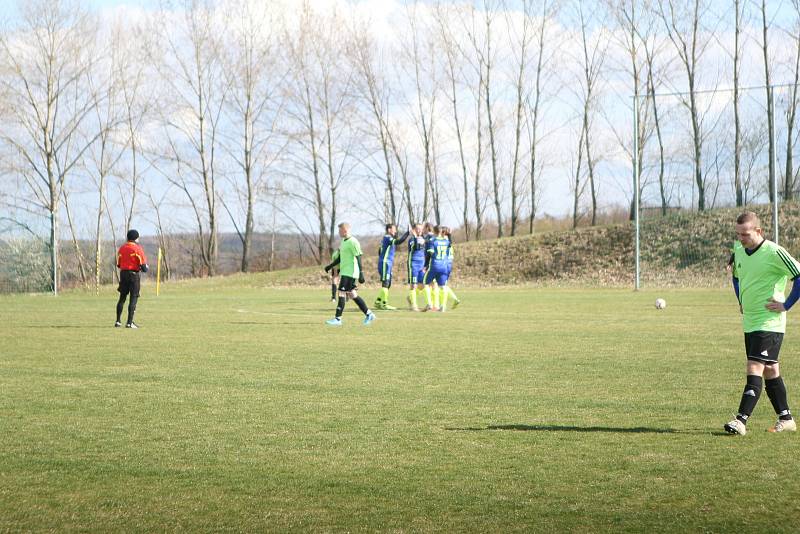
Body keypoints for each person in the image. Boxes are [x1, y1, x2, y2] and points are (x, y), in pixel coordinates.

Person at [725, 211, 800, 435]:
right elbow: (736, 276)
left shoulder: (774, 252)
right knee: (770, 369)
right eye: (738, 234)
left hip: (770, 322)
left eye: (745, 234)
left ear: (759, 231)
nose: (741, 238)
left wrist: (786, 305)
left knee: (754, 366)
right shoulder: (738, 249)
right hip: (751, 320)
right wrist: (741, 299)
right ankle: (786, 418)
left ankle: (740, 421)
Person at [323, 222, 376, 326]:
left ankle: (338, 319)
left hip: (351, 273)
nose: (338, 232)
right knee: (352, 294)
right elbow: (340, 258)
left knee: (341, 293)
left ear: (345, 230)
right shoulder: (344, 241)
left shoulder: (353, 242)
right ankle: (369, 314)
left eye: (340, 230)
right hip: (346, 271)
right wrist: (330, 266)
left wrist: (361, 273)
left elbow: (359, 257)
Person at [116, 229, 149, 328]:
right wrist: (145, 267)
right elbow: (144, 267)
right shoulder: (137, 249)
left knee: (122, 298)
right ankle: (130, 323)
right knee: (133, 298)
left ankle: (118, 321)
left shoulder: (122, 248)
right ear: (136, 238)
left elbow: (119, 264)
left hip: (123, 274)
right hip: (133, 275)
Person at [374, 223, 409, 310]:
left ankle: (378, 302)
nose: (395, 231)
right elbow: (399, 241)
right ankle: (384, 304)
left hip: (386, 263)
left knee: (388, 284)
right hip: (385, 263)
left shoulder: (385, 239)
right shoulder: (387, 238)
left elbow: (380, 251)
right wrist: (408, 232)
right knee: (386, 283)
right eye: (394, 229)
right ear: (389, 230)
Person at [422, 226, 452, 312]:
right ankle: (443, 306)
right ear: (441, 231)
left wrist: (425, 265)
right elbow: (450, 244)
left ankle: (429, 304)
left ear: (434, 232)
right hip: (444, 266)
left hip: (435, 266)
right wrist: (449, 235)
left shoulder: (432, 241)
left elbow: (429, 254)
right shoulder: (446, 241)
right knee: (442, 286)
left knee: (425, 283)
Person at [406, 223, 426, 311]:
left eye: (421, 229)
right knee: (413, 285)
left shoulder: (423, 239)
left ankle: (410, 298)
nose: (419, 230)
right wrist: (414, 236)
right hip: (413, 264)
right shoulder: (411, 240)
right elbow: (417, 247)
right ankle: (414, 305)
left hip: (422, 265)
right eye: (418, 229)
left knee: (422, 285)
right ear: (414, 230)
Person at [442, 226, 461, 309]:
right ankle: (454, 300)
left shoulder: (443, 241)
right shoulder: (449, 241)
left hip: (443, 264)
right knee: (442, 285)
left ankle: (443, 305)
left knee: (441, 285)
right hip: (448, 264)